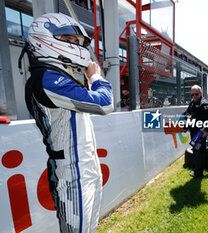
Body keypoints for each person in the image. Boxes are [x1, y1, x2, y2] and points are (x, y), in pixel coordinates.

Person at [24, 13, 113, 232]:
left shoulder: (59, 74)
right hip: (71, 174)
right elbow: (104, 104)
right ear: (45, 38)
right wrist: (96, 77)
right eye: (69, 39)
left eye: (77, 41)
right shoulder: (45, 78)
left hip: (87, 167)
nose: (76, 45)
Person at [184, 85, 208, 178]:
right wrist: (188, 117)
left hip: (200, 132)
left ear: (200, 93)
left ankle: (198, 173)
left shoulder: (204, 104)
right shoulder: (192, 102)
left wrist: (207, 130)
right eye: (192, 94)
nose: (194, 96)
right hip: (193, 131)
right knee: (202, 149)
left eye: (196, 94)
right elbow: (187, 112)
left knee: (198, 151)